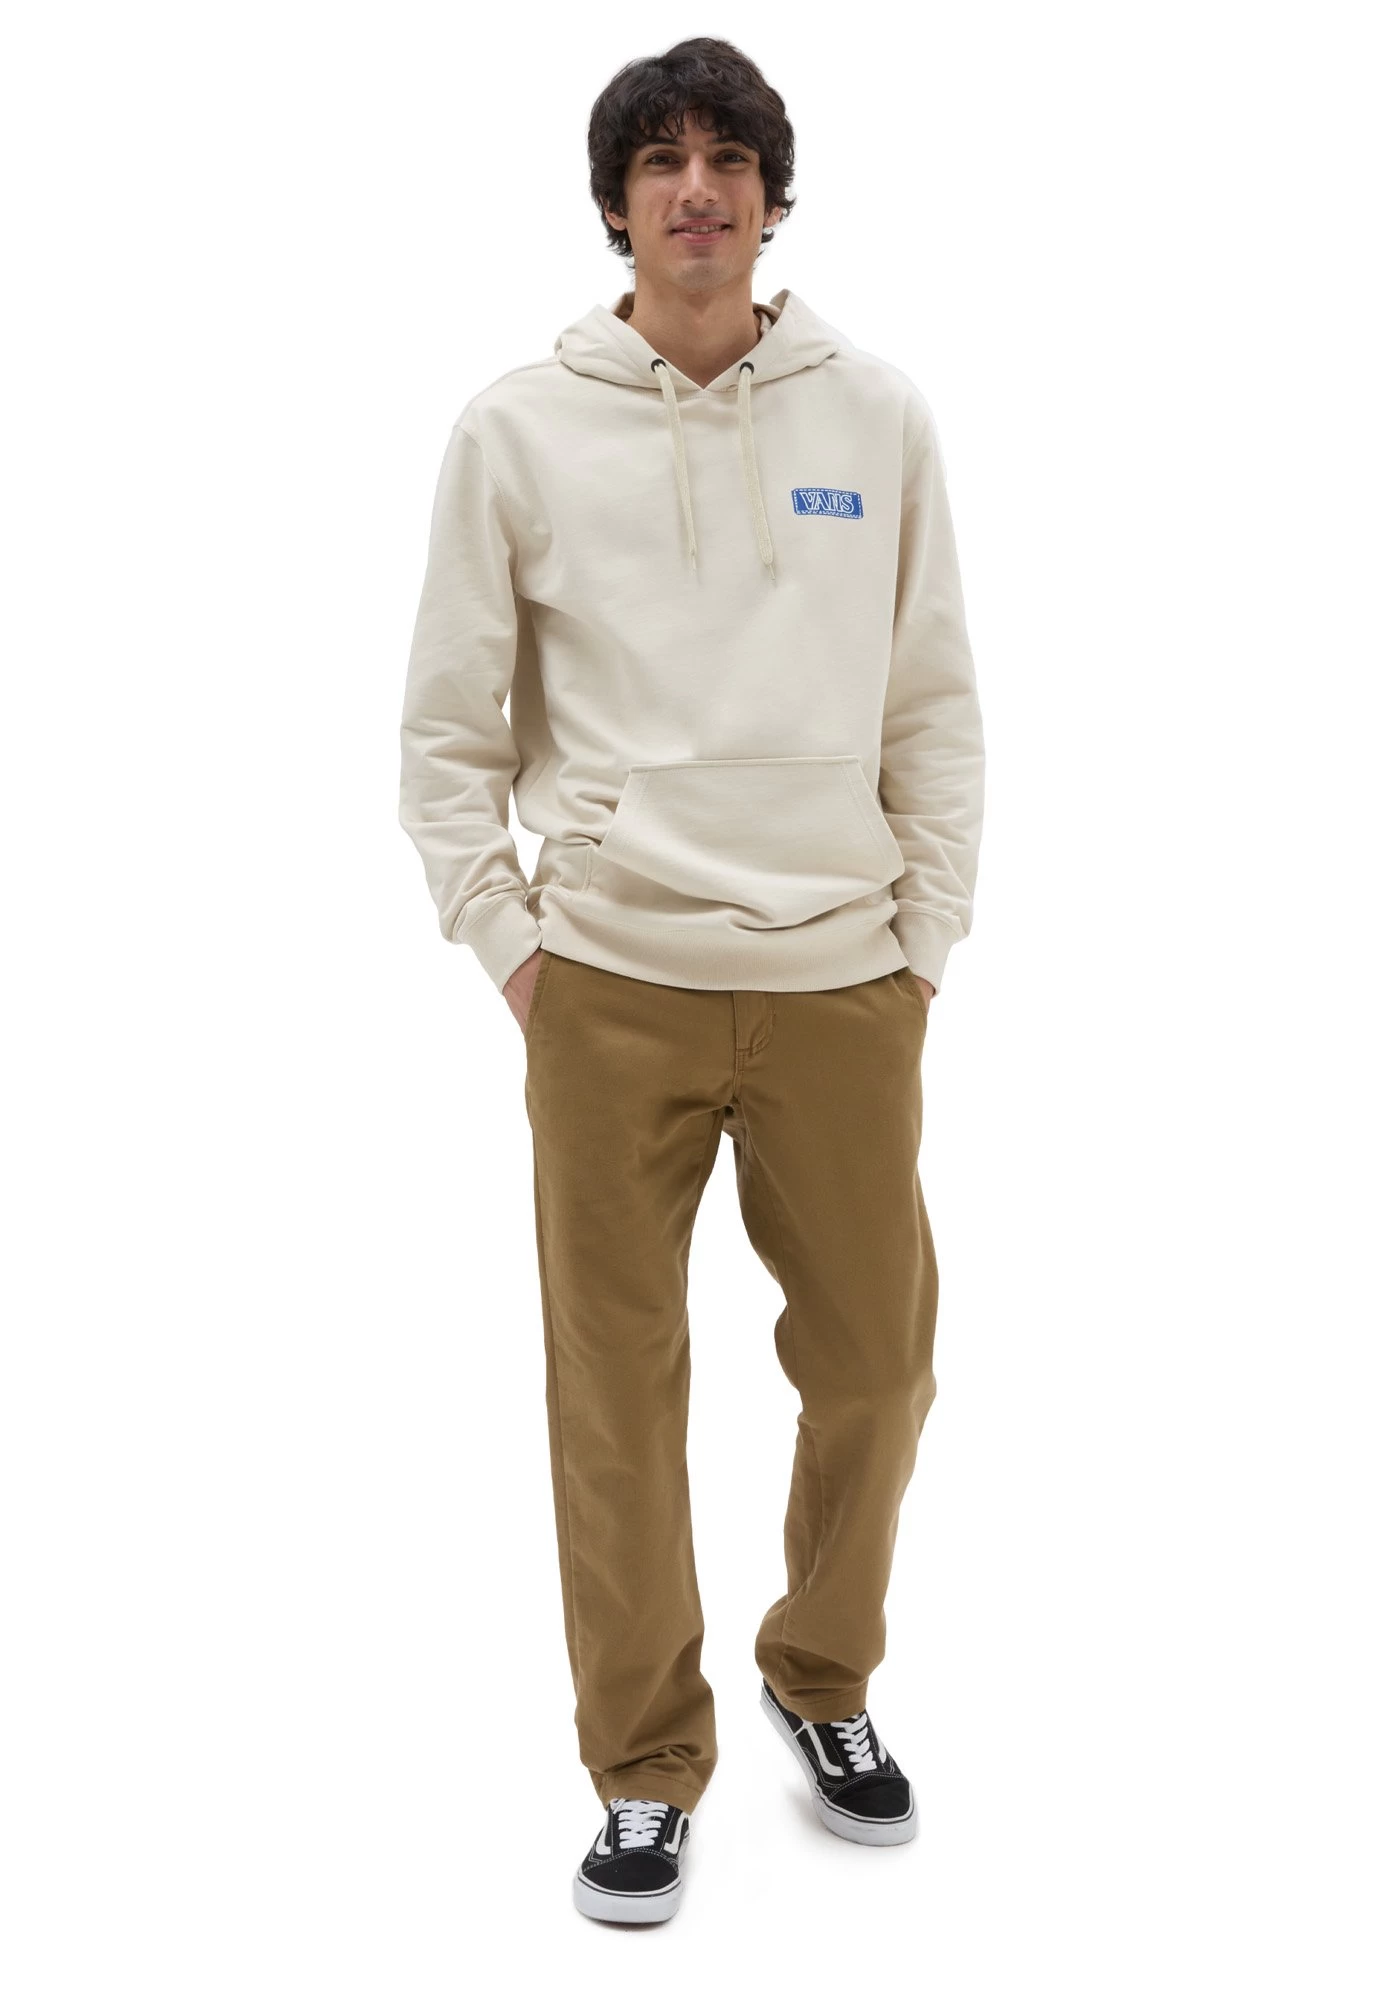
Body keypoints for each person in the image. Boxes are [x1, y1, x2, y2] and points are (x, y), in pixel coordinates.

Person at [398, 36, 985, 1926]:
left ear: (774, 199)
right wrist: (518, 953)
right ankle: (645, 1765)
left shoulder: (876, 418)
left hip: (842, 979)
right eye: (660, 160)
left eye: (730, 158)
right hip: (608, 985)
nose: (698, 188)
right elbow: (444, 739)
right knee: (616, 1390)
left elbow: (933, 704)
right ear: (615, 205)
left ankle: (821, 1672)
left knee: (880, 1359)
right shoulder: (516, 431)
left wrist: (922, 946)